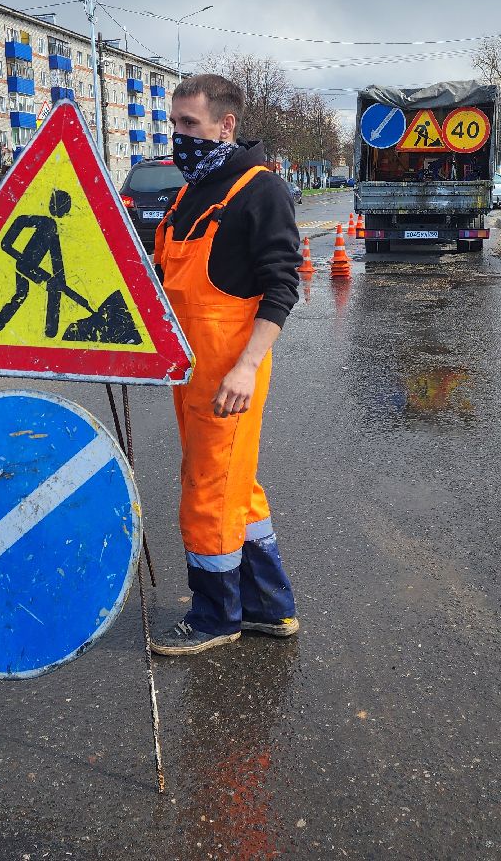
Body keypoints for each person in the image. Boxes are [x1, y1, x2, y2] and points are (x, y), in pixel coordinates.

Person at [150, 73, 302, 656]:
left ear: (226, 125)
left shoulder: (259, 190)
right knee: (237, 486)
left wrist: (245, 368)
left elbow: (280, 288)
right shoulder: (193, 191)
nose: (178, 136)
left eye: (189, 124)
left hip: (229, 375)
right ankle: (268, 608)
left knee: (209, 489)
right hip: (192, 373)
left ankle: (216, 617)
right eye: (174, 124)